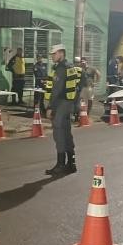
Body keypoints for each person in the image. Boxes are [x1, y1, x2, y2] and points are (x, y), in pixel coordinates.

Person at [45, 43, 81, 176]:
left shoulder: (61, 69)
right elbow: (78, 86)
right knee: (66, 133)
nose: (52, 56)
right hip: (69, 104)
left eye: (54, 54)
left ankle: (61, 164)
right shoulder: (71, 67)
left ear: (61, 53)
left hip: (61, 104)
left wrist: (50, 107)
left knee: (59, 133)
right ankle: (71, 163)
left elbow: (56, 90)